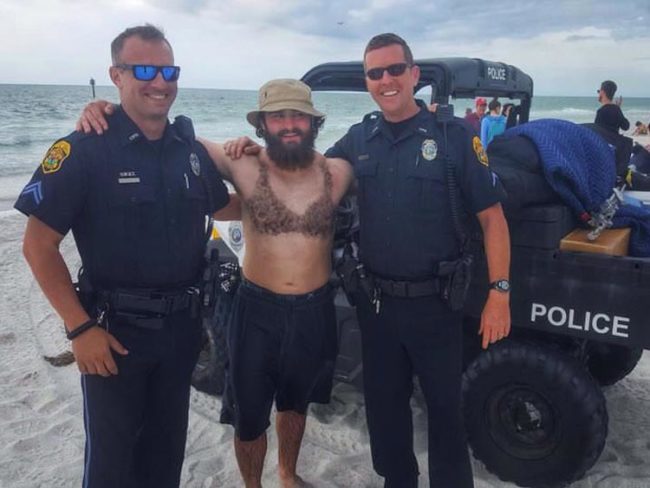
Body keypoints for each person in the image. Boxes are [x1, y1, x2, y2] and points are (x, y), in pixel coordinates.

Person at [77, 79, 354, 488]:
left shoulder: (338, 171)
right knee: (249, 414)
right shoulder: (241, 163)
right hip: (257, 310)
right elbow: (173, 130)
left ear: (314, 122)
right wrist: (109, 110)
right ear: (261, 124)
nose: (289, 124)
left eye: (299, 116)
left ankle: (287, 473)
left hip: (315, 310)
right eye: (278, 116)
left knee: (296, 403)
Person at [14, 25, 234, 488]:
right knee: (112, 466)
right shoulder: (82, 150)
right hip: (114, 337)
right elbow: (38, 244)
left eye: (169, 70)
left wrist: (268, 176)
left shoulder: (188, 151)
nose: (160, 82)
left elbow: (224, 204)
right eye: (145, 70)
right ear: (117, 75)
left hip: (181, 334)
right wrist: (79, 328)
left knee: (165, 455)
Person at [324, 33, 511, 488]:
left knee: (445, 412)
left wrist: (500, 293)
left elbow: (493, 219)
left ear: (413, 76)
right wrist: (251, 152)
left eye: (394, 70)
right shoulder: (358, 138)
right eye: (375, 73)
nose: (385, 80)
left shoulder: (453, 138)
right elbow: (311, 174)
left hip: (436, 306)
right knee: (384, 410)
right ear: (367, 81)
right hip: (377, 305)